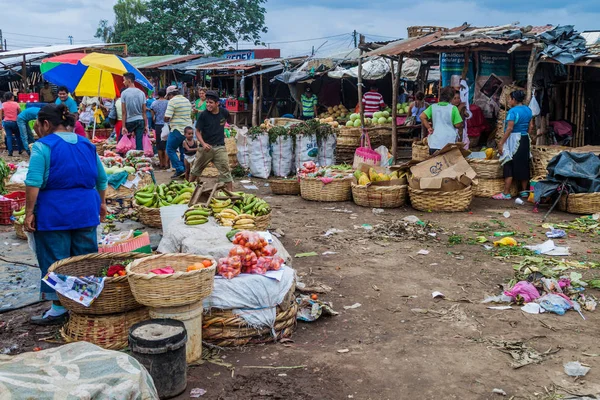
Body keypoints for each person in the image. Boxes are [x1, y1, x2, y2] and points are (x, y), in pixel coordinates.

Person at [24, 104, 107, 325]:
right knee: (84, 258)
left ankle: (59, 308)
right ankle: (85, 305)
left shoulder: (42, 146)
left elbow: (33, 182)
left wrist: (29, 213)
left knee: (56, 260)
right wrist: (103, 203)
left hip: (54, 213)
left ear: (46, 124)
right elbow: (101, 178)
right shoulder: (87, 144)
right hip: (86, 209)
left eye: (38, 125)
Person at [493, 90, 534, 200]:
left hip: (514, 139)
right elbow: (531, 126)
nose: (509, 101)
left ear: (514, 100)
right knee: (524, 164)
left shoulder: (513, 112)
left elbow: (509, 128)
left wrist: (501, 143)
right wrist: (526, 135)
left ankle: (506, 193)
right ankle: (524, 191)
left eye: (510, 99)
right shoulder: (528, 110)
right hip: (525, 138)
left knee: (509, 164)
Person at [191, 90, 233, 190]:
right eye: (207, 102)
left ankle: (231, 195)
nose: (208, 105)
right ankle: (188, 189)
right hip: (205, 149)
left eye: (211, 103)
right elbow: (197, 131)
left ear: (217, 103)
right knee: (195, 171)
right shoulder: (203, 115)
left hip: (220, 147)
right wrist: (203, 144)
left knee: (226, 171)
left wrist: (225, 127)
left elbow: (228, 120)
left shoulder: (224, 112)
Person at [420, 87, 463, 154]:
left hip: (434, 142)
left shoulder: (433, 107)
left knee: (435, 163)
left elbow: (422, 116)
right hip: (448, 142)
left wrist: (429, 127)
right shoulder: (453, 108)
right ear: (451, 98)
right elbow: (457, 125)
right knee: (447, 163)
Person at [164, 85, 193, 179]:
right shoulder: (186, 100)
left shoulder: (172, 101)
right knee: (182, 150)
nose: (168, 98)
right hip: (187, 129)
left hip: (177, 129)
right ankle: (184, 169)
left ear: (170, 94)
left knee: (170, 149)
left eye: (168, 96)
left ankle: (180, 168)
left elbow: (167, 117)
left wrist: (164, 119)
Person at [121, 72, 148, 151]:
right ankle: (140, 160)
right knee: (139, 143)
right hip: (140, 120)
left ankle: (126, 159)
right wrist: (146, 125)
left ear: (129, 81)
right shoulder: (141, 93)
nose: (123, 82)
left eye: (124, 80)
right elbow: (144, 111)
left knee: (123, 141)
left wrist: (123, 126)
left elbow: (124, 111)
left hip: (130, 121)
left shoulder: (124, 93)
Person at [151, 88, 170, 169]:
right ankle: (166, 164)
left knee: (159, 145)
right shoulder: (168, 103)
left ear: (158, 95)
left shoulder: (154, 103)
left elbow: (153, 117)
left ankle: (161, 163)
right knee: (167, 145)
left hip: (158, 125)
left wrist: (155, 118)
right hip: (167, 125)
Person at [2, 92, 23, 156]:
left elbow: (2, 113)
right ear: (11, 97)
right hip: (15, 122)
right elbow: (20, 112)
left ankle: (10, 152)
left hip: (6, 122)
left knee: (9, 137)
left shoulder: (3, 104)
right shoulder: (16, 104)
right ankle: (20, 150)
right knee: (18, 136)